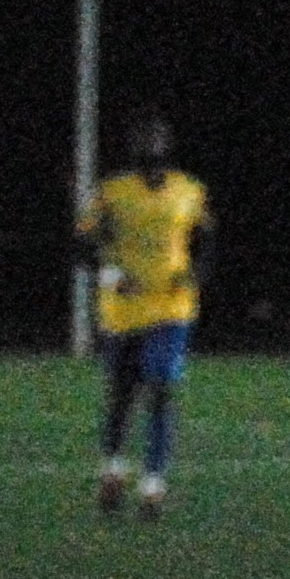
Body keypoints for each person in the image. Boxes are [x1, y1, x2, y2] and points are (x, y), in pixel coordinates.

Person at [75, 112, 214, 519]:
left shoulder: (190, 191)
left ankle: (153, 485)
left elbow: (208, 241)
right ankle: (114, 469)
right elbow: (80, 246)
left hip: (172, 307)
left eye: (157, 139)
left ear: (167, 145)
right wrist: (112, 275)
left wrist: (195, 273)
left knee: (161, 387)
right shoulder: (111, 193)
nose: (151, 147)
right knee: (122, 394)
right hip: (122, 311)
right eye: (143, 140)